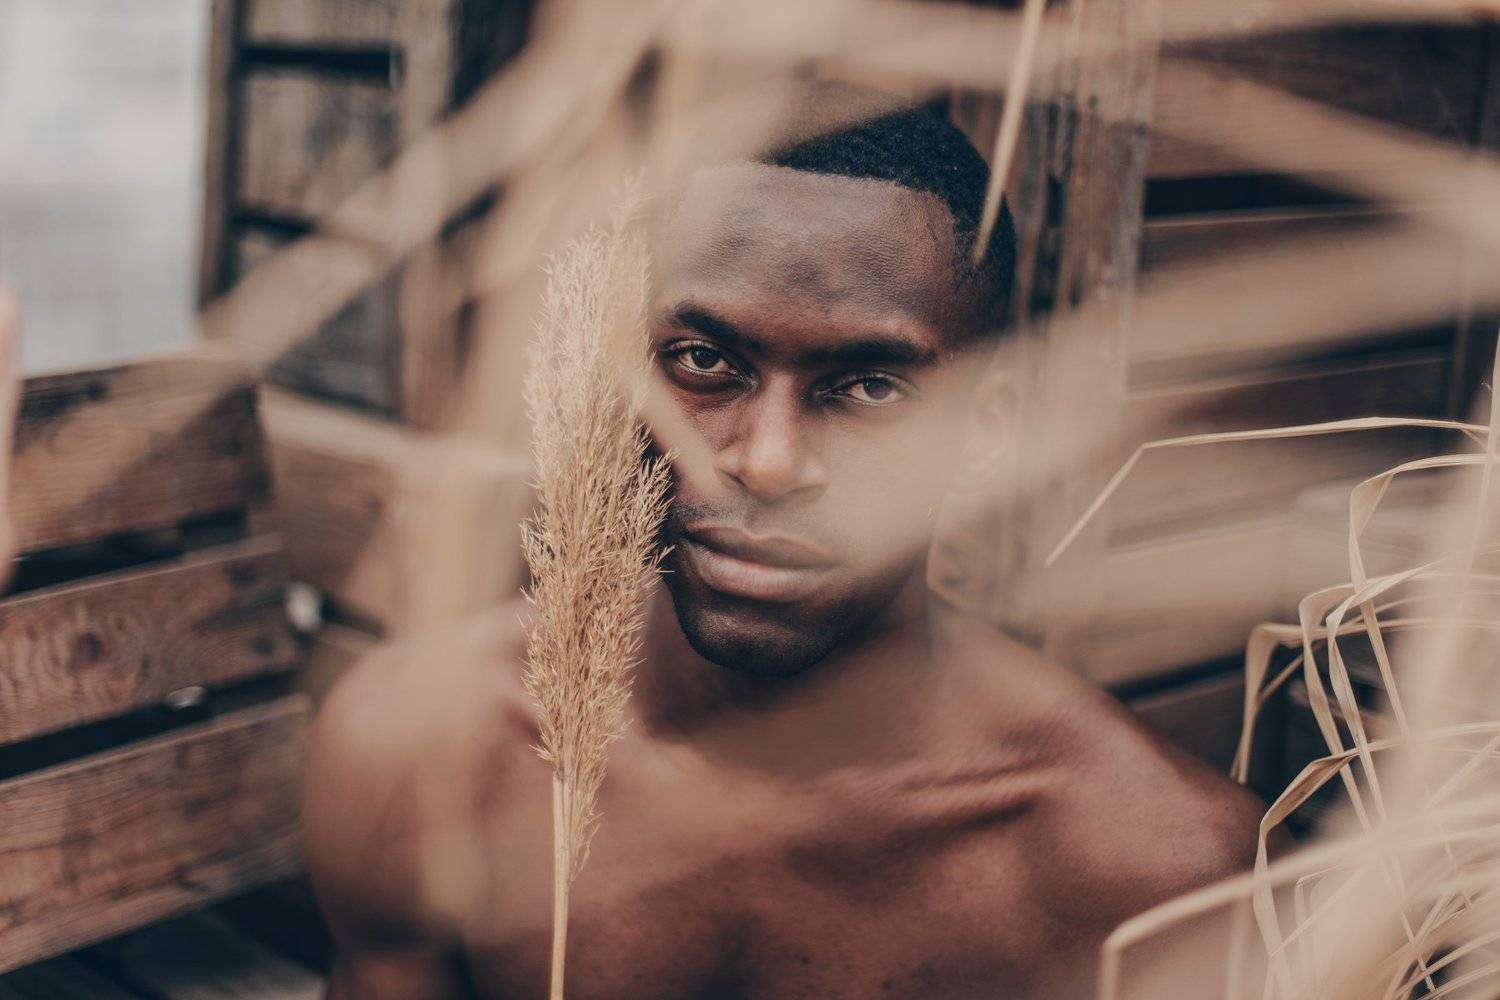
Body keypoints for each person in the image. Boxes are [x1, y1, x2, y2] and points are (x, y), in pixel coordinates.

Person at [304, 103, 1263, 999]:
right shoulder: (425, 745)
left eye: (871, 387)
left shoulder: (1152, 874)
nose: (766, 463)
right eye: (704, 362)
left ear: (986, 431)